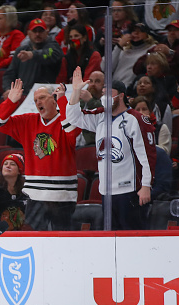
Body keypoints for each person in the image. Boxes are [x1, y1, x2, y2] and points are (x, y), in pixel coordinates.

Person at [66, 67, 156, 230]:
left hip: (130, 190)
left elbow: (147, 155)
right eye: (103, 94)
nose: (104, 97)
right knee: (112, 237)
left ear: (121, 96)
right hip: (106, 192)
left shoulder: (136, 119)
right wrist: (76, 91)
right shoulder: (100, 116)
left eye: (109, 93)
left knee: (132, 236)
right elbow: (73, 117)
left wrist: (146, 186)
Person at [0, 80, 80, 231]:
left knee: (63, 242)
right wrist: (11, 102)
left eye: (42, 98)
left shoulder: (65, 120)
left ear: (53, 99)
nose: (37, 102)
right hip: (34, 194)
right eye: (35, 100)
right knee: (34, 240)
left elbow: (73, 131)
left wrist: (62, 101)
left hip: (62, 196)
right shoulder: (28, 121)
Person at [2, 18, 63, 100]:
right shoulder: (21, 51)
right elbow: (9, 74)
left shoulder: (53, 46)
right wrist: (9, 89)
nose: (37, 34)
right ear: (29, 33)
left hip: (46, 96)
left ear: (47, 33)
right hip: (23, 96)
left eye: (41, 31)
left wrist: (32, 54)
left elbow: (50, 54)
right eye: (34, 31)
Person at [103, 22, 157, 90]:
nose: (135, 33)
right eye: (133, 31)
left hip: (131, 88)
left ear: (147, 35)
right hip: (113, 87)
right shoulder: (123, 49)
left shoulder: (152, 49)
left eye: (140, 31)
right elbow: (106, 68)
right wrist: (119, 46)